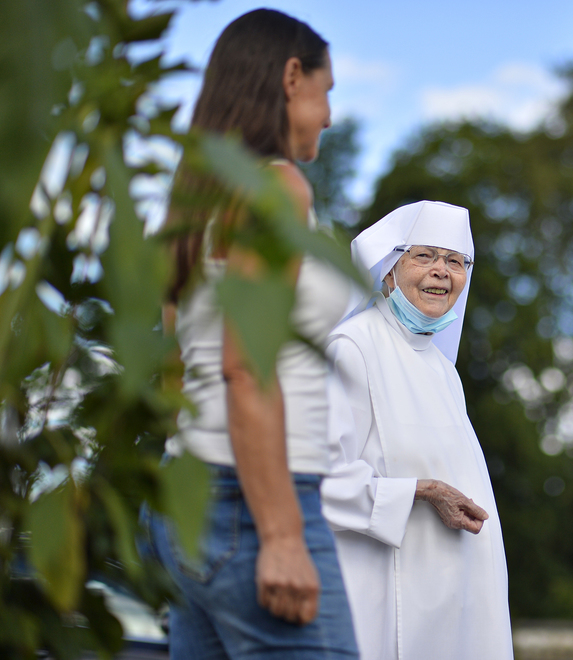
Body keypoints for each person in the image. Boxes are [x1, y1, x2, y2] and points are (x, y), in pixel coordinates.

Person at [148, 9, 358, 659]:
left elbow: (175, 362)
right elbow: (247, 367)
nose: (328, 116)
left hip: (186, 495)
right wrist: (283, 534)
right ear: (292, 77)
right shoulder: (276, 189)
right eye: (327, 93)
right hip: (252, 498)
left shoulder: (196, 202)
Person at [319, 200, 514, 660]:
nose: (441, 272)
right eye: (424, 256)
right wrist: (417, 493)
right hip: (382, 606)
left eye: (455, 261)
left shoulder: (445, 372)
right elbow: (315, 478)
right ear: (389, 270)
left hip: (457, 609)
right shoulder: (352, 347)